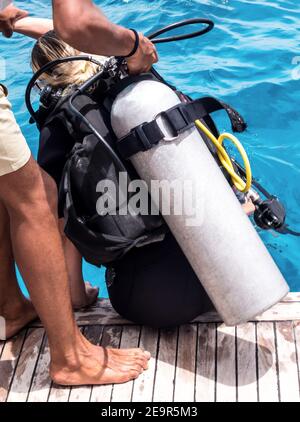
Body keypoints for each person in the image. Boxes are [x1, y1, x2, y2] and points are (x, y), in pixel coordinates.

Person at [27, 27, 256, 328]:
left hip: (155, 304)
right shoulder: (147, 93)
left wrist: (78, 297)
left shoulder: (62, 126)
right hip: (235, 277)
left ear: (45, 79)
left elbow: (62, 227)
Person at [0, 0, 156, 386]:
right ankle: (70, 358)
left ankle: (11, 306)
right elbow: (76, 23)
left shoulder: (57, 132)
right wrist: (134, 44)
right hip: (172, 288)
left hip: (132, 296)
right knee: (35, 195)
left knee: (9, 187)